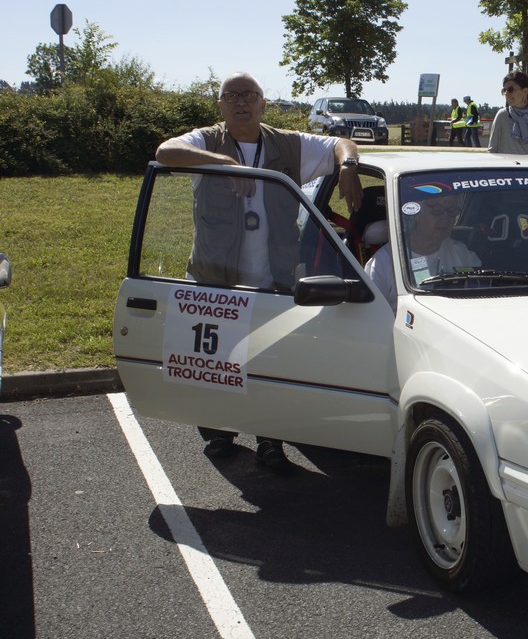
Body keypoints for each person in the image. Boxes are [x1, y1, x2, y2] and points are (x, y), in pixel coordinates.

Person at [155, 71, 362, 472]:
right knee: (215, 366)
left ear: (264, 104)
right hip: (215, 281)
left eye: (250, 94)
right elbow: (165, 152)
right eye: (231, 96)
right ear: (220, 106)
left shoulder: (287, 145)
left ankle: (271, 440)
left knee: (270, 365)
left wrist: (349, 165)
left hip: (273, 281)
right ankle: (219, 432)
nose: (241, 102)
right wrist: (222, 163)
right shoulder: (206, 141)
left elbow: (341, 142)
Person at [365, 195, 480, 312]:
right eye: (437, 211)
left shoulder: (463, 254)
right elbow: (372, 319)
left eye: (452, 211)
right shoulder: (383, 263)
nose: (446, 218)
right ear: (417, 214)